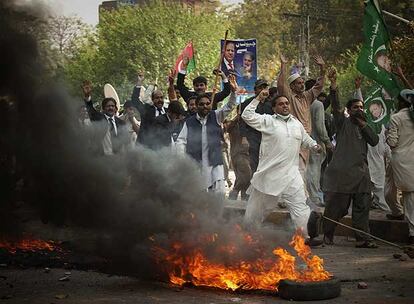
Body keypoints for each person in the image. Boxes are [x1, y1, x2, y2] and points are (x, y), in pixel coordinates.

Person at [241, 89, 323, 246]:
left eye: (287, 103)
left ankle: (305, 236)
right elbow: (246, 116)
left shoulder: (296, 123)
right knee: (256, 211)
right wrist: (258, 99)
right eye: (281, 104)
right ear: (274, 108)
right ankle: (248, 236)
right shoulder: (268, 121)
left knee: (300, 205)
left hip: (292, 174)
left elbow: (306, 139)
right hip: (269, 176)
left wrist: (314, 146)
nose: (285, 106)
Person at [316, 69, 379, 248]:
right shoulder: (343, 123)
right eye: (355, 108)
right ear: (349, 111)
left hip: (361, 175)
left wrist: (363, 124)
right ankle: (327, 235)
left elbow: (374, 141)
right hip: (342, 175)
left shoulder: (365, 125)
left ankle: (363, 239)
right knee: (337, 208)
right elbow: (336, 107)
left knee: (362, 208)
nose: (359, 109)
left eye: (361, 107)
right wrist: (333, 84)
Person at [176, 76, 237, 194]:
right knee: (198, 194)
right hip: (196, 163)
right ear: (197, 106)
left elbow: (229, 106)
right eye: (202, 104)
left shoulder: (216, 115)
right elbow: (181, 141)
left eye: (208, 104)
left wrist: (233, 92)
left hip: (214, 162)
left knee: (217, 192)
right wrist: (182, 159)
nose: (205, 106)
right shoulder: (189, 122)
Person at [277, 54, 325, 179]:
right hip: (292, 138)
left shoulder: (307, 97)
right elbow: (281, 85)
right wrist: (283, 65)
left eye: (303, 82)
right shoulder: (289, 97)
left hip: (306, 140)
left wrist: (322, 68)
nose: (302, 85)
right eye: (299, 83)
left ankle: (300, 196)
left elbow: (319, 86)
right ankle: (298, 197)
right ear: (292, 86)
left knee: (302, 171)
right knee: (298, 171)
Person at [386, 89, 414, 244]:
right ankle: (397, 212)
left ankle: (412, 233)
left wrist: (387, 136)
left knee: (407, 196)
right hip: (410, 160)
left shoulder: (396, 117)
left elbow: (392, 142)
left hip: (400, 161)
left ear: (402, 102)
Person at [305, 80, 333, 208]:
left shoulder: (301, 102)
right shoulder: (317, 105)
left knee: (303, 170)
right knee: (313, 170)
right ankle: (314, 197)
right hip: (315, 142)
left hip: (302, 142)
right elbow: (320, 126)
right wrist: (327, 142)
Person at [82, 80, 127, 155]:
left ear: (115, 108)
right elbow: (91, 110)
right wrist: (87, 96)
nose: (110, 108)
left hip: (117, 159)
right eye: (108, 106)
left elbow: (124, 142)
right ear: (103, 108)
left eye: (112, 106)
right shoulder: (99, 118)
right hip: (102, 158)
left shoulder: (121, 123)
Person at [239, 79, 273, 174]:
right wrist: (244, 137)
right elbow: (242, 121)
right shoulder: (248, 103)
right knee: (254, 163)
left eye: (265, 88)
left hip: (267, 137)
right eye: (260, 88)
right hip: (252, 136)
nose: (263, 90)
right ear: (255, 90)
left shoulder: (271, 104)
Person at [130, 73, 168, 149]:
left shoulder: (168, 112)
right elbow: (135, 100)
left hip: (163, 150)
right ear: (153, 100)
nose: (159, 100)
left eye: (161, 98)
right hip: (145, 149)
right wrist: (139, 83)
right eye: (157, 98)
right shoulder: (146, 110)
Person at [224, 112, 251, 201]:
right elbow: (228, 129)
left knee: (242, 177)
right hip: (239, 154)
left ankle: (241, 198)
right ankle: (235, 191)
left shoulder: (247, 124)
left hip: (244, 154)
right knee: (246, 175)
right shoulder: (235, 125)